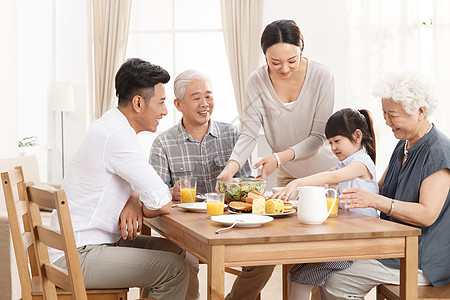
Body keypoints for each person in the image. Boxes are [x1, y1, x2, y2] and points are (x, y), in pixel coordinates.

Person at [49, 58, 189, 299]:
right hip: (76, 254)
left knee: (176, 250)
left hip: (81, 243)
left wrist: (134, 198)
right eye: (162, 102)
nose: (165, 111)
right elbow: (161, 202)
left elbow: (142, 188)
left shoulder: (109, 125)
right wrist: (142, 198)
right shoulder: (118, 136)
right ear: (138, 103)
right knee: (175, 270)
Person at [319, 70, 450, 299]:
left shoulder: (437, 152)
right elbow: (378, 189)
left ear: (420, 111)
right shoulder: (404, 146)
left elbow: (427, 214)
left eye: (392, 115)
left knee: (334, 279)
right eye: (384, 114)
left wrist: (374, 201)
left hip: (422, 259)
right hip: (395, 246)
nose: (387, 122)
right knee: (324, 261)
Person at [150, 69, 275, 300]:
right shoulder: (163, 143)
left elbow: (246, 184)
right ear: (178, 104)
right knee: (182, 262)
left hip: (230, 226)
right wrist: (170, 191)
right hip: (186, 233)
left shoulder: (232, 135)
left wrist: (251, 185)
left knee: (266, 258)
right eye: (196, 97)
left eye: (208, 96)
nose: (204, 103)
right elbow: (154, 196)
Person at [271, 108, 379, 299]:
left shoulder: (362, 162)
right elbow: (326, 181)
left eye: (337, 141)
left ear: (357, 136)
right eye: (330, 143)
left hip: (360, 243)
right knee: (296, 270)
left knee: (302, 276)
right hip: (346, 237)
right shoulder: (344, 163)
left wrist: (296, 181)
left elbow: (333, 176)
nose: (333, 147)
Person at [217, 19, 337, 187]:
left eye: (292, 60)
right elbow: (249, 133)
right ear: (265, 55)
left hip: (327, 174)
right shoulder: (257, 81)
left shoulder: (321, 76)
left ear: (301, 51)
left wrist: (278, 157)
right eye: (275, 63)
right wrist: (231, 168)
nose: (285, 68)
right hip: (289, 173)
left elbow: (318, 137)